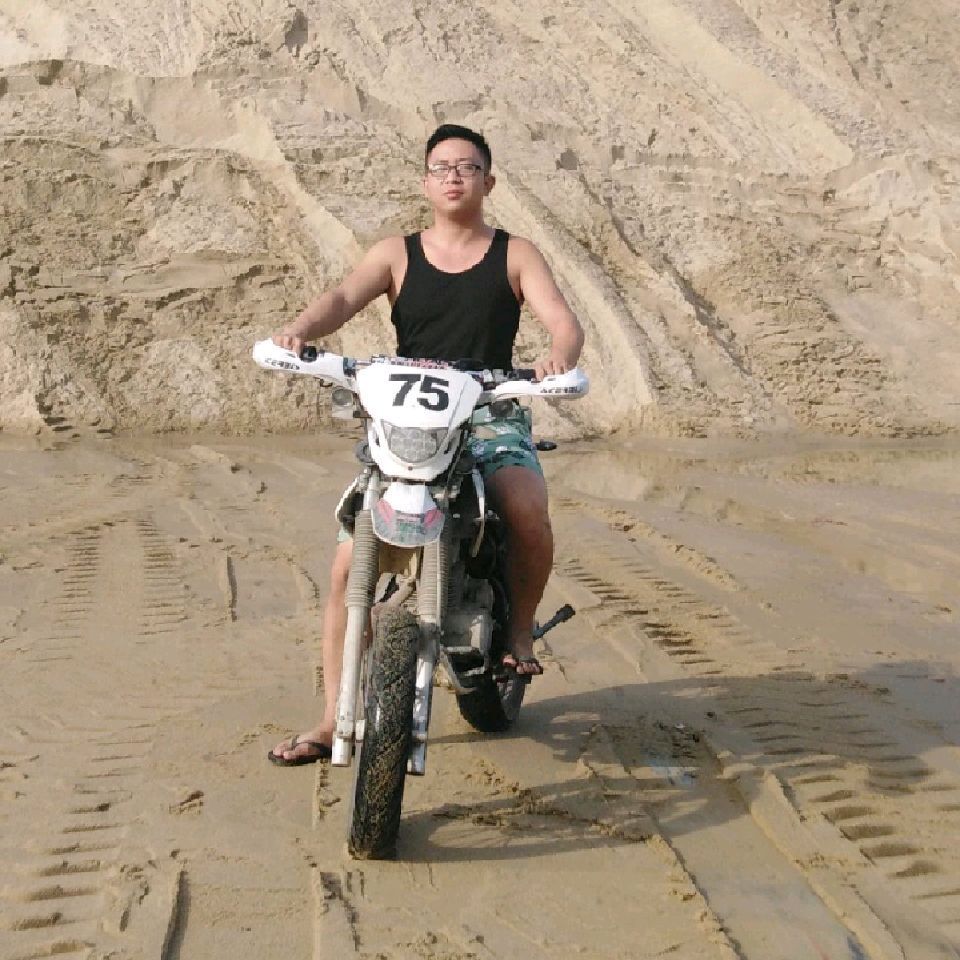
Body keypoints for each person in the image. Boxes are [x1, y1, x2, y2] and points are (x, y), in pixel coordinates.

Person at [269, 123, 584, 765]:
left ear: (488, 181)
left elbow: (562, 320)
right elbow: (341, 298)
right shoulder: (396, 253)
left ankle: (519, 634)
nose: (453, 176)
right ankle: (331, 718)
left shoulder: (515, 254)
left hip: (489, 409)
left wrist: (558, 357)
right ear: (425, 183)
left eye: (466, 167)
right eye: (441, 167)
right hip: (406, 419)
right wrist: (299, 331)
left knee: (525, 505)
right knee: (346, 564)